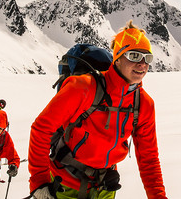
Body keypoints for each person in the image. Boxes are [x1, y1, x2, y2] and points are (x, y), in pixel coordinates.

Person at [28, 20, 167, 199]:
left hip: (105, 188)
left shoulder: (144, 104)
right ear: (117, 58)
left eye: (147, 58)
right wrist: (39, 181)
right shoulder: (83, 87)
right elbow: (41, 129)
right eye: (134, 56)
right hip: (64, 185)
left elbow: (149, 159)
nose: (142, 64)